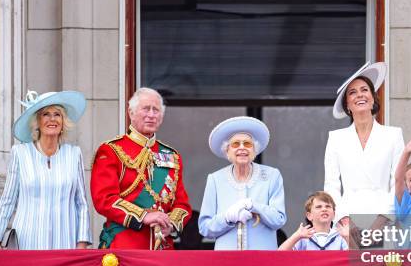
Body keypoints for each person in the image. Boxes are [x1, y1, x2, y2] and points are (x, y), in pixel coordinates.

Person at [90, 87, 191, 250]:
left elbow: (183, 205)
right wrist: (144, 216)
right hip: (125, 245)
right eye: (146, 109)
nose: (151, 115)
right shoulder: (111, 150)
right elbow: (104, 199)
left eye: (156, 110)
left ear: (161, 117)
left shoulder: (172, 155)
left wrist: (171, 224)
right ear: (131, 113)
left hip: (162, 248)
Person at [0, 90, 92, 250]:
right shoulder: (20, 153)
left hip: (65, 241)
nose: (52, 119)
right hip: (28, 241)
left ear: (63, 121)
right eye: (46, 114)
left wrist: (82, 242)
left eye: (57, 114)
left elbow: (81, 203)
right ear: (36, 121)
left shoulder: (74, 154)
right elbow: (8, 199)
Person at [324, 62, 405, 243]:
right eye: (352, 92)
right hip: (348, 224)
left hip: (385, 222)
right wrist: (345, 220)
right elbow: (331, 186)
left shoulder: (393, 135)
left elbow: (398, 183)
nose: (359, 95)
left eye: (364, 90)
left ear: (373, 98)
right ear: (347, 104)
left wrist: (380, 222)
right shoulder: (336, 138)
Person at [198, 116, 286, 250]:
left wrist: (254, 206)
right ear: (227, 151)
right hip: (226, 260)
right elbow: (205, 228)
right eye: (235, 144)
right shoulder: (215, 179)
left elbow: (279, 219)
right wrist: (227, 218)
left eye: (247, 144)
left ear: (254, 150)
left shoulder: (271, 176)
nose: (242, 148)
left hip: (263, 259)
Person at [278, 191, 348, 251]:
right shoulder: (303, 237)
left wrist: (347, 238)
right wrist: (296, 236)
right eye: (318, 207)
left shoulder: (340, 237)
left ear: (334, 214)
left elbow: (355, 260)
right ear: (309, 216)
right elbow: (279, 254)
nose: (324, 209)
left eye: (328, 206)